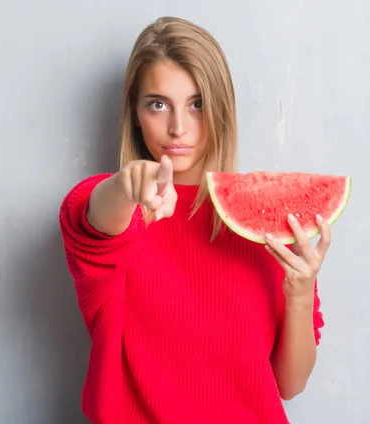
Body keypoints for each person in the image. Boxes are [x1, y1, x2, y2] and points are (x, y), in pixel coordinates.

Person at [59, 16, 330, 424]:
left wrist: (301, 292)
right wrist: (129, 186)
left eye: (197, 103)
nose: (178, 127)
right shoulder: (114, 210)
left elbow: (289, 385)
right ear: (134, 113)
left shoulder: (265, 223)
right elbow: (91, 215)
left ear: (221, 108)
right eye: (157, 104)